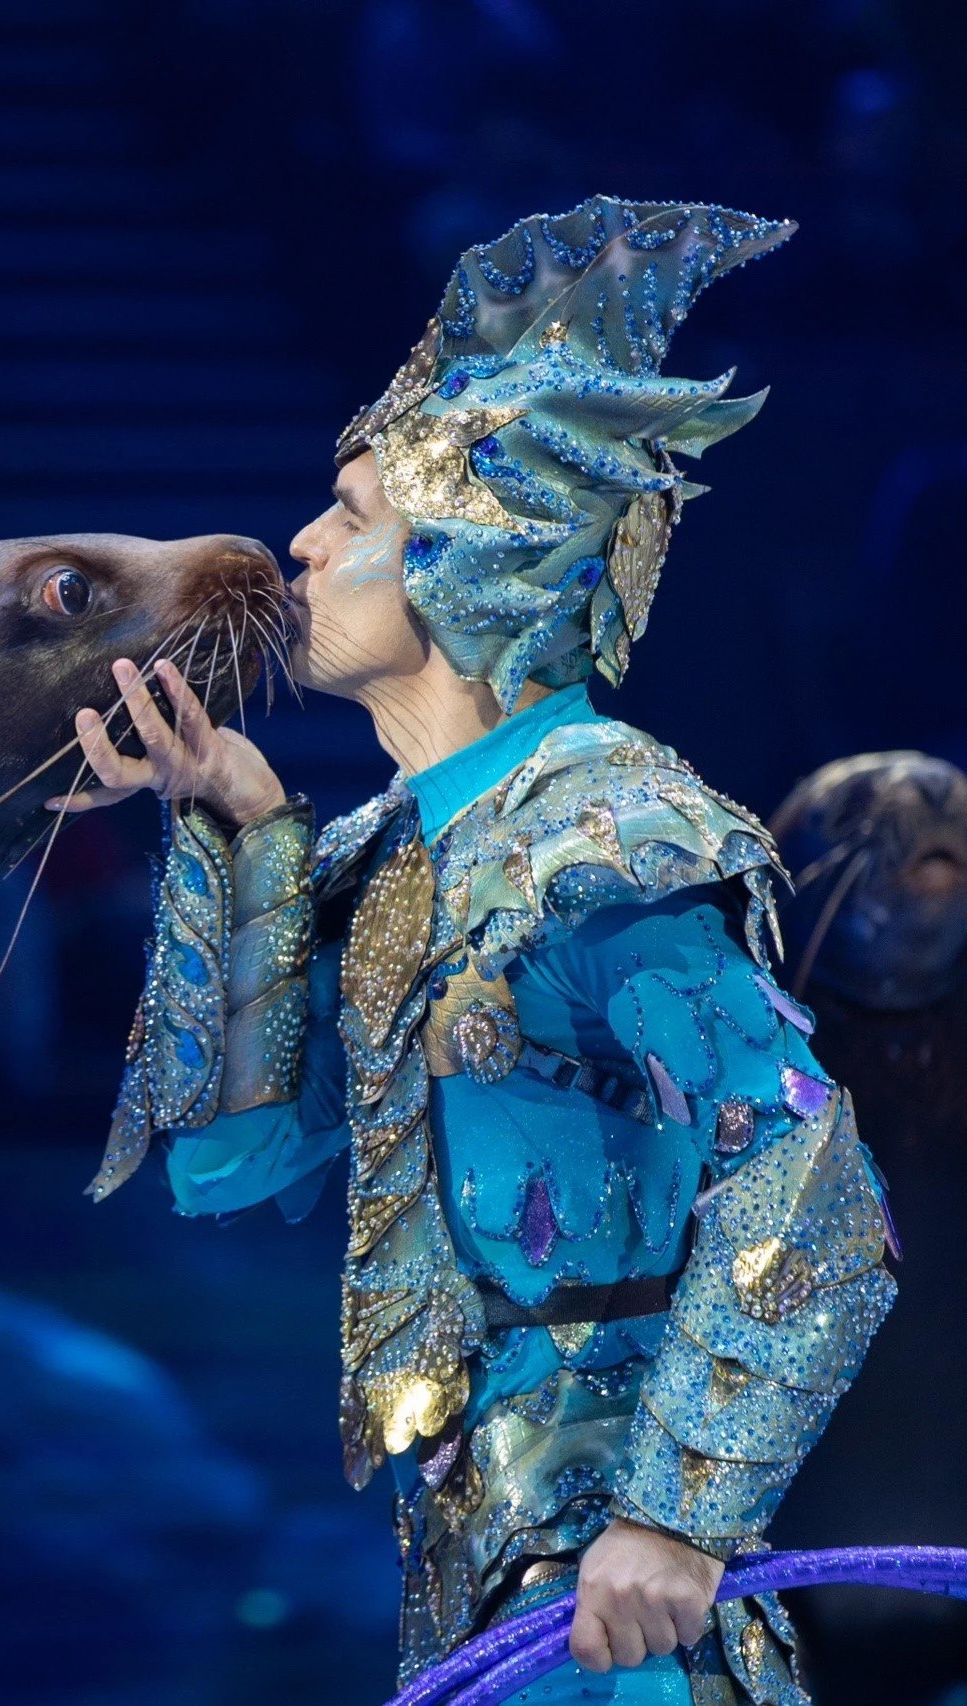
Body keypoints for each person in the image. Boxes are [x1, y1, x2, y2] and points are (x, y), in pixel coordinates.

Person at [54, 198, 897, 1701]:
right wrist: (244, 829)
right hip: (472, 1581)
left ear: (470, 553)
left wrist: (675, 1513)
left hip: (618, 1605)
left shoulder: (609, 833)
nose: (302, 544)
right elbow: (230, 1159)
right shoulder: (388, 854)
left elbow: (812, 1183)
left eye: (352, 516)